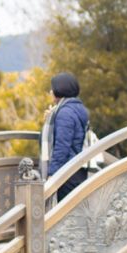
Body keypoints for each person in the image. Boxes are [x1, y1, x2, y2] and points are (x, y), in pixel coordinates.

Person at [40, 72, 91, 202]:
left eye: (52, 88)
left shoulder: (65, 113)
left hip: (67, 172)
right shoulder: (76, 108)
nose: (51, 91)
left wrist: (52, 174)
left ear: (60, 89)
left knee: (66, 216)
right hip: (77, 169)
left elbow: (62, 146)